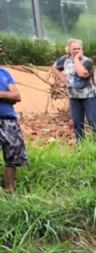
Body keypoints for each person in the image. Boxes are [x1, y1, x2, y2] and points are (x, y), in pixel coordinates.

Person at [53, 39, 96, 143]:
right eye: (74, 49)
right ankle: (80, 146)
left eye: (79, 48)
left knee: (93, 121)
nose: (77, 50)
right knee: (77, 123)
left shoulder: (87, 61)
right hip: (74, 96)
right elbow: (54, 67)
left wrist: (77, 59)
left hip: (88, 96)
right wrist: (64, 80)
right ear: (68, 50)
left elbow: (83, 73)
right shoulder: (65, 60)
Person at [0, 41, 28, 193]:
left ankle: (10, 190)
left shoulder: (5, 73)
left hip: (8, 120)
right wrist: (7, 95)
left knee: (12, 157)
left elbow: (16, 95)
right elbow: (11, 95)